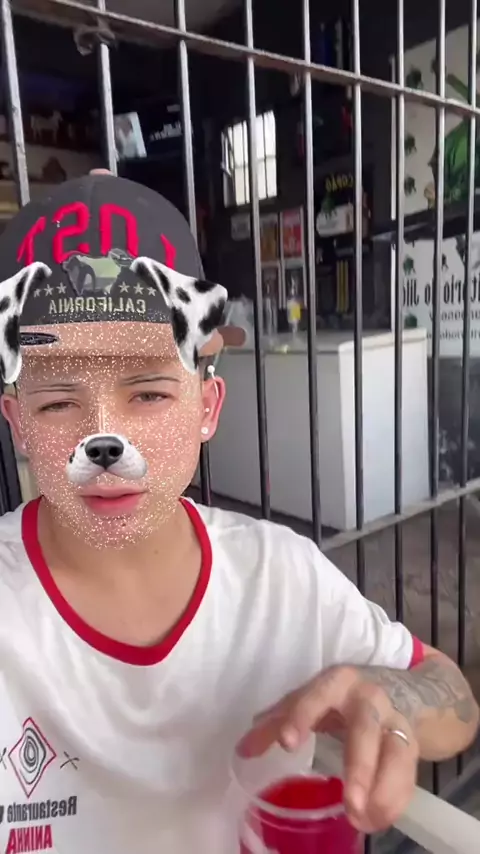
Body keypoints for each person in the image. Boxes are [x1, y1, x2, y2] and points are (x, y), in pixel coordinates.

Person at [0, 171, 476, 854]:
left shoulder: (281, 578)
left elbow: (452, 697)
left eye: (149, 393)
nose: (104, 441)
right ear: (17, 421)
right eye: (57, 402)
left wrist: (390, 703)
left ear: (207, 407)